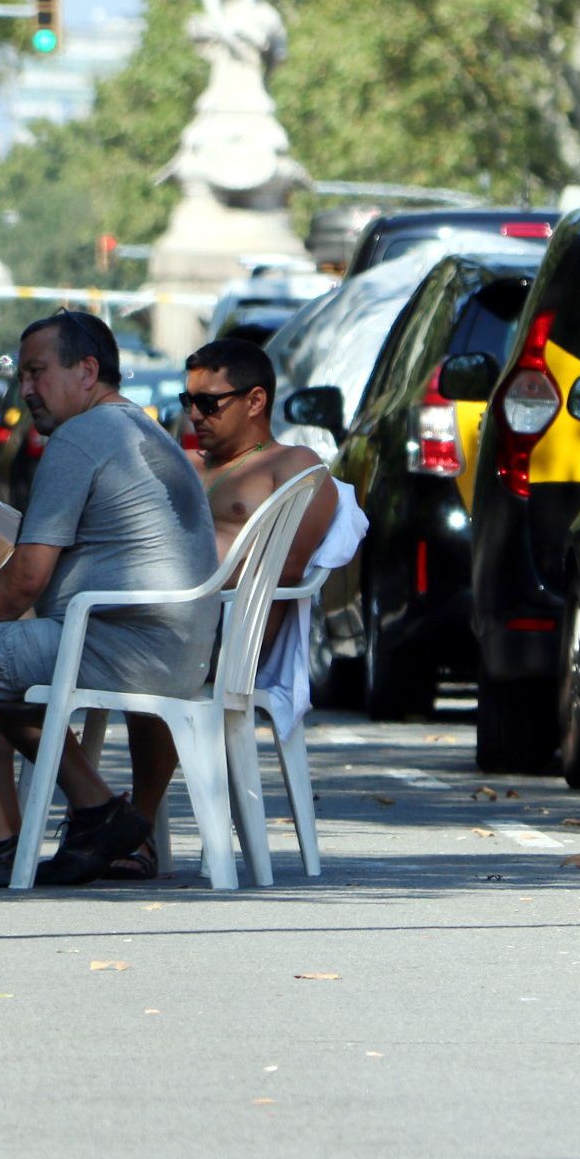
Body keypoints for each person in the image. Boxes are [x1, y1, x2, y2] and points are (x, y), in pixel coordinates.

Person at [0, 311, 219, 886]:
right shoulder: (140, 428)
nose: (26, 389)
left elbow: (25, 579)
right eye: (22, 375)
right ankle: (98, 813)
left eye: (38, 372)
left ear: (87, 370)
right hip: (176, 649)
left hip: (122, 645)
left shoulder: (82, 436)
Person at [96, 338, 362, 879]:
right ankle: (78, 812)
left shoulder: (294, 466)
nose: (194, 414)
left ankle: (134, 825)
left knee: (153, 663)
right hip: (149, 616)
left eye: (209, 403)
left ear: (256, 400)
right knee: (23, 667)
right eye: (187, 401)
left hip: (229, 641)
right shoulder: (179, 463)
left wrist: (192, 575)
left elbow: (285, 569)